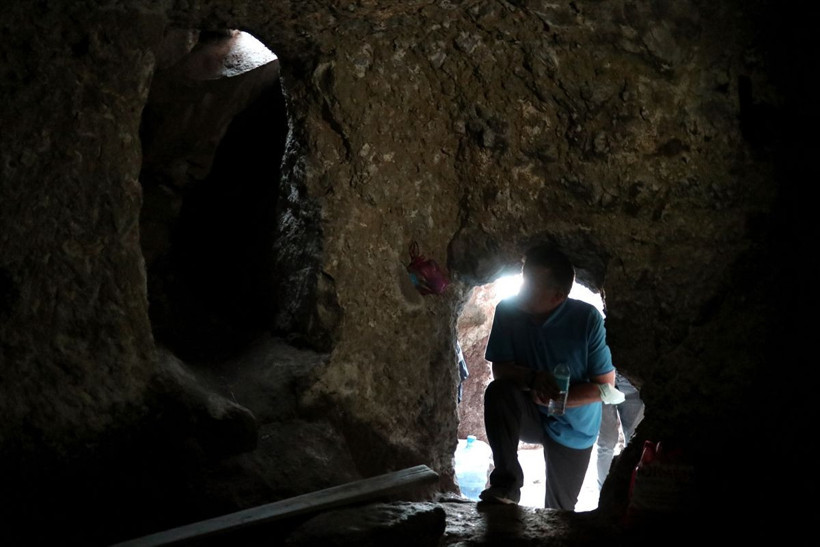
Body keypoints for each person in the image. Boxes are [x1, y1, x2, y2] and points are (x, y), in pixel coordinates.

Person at [479, 244, 624, 510]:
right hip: (531, 413)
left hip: (575, 427)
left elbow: (606, 388)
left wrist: (561, 399)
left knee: (559, 512)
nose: (521, 292)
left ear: (557, 295)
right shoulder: (508, 311)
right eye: (523, 282)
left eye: (531, 286)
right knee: (497, 392)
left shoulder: (587, 320)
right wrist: (533, 379)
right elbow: (501, 370)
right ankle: (506, 486)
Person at [596, 370, 645, 491]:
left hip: (630, 383)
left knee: (634, 439)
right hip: (601, 379)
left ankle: (631, 491)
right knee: (606, 441)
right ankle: (603, 492)